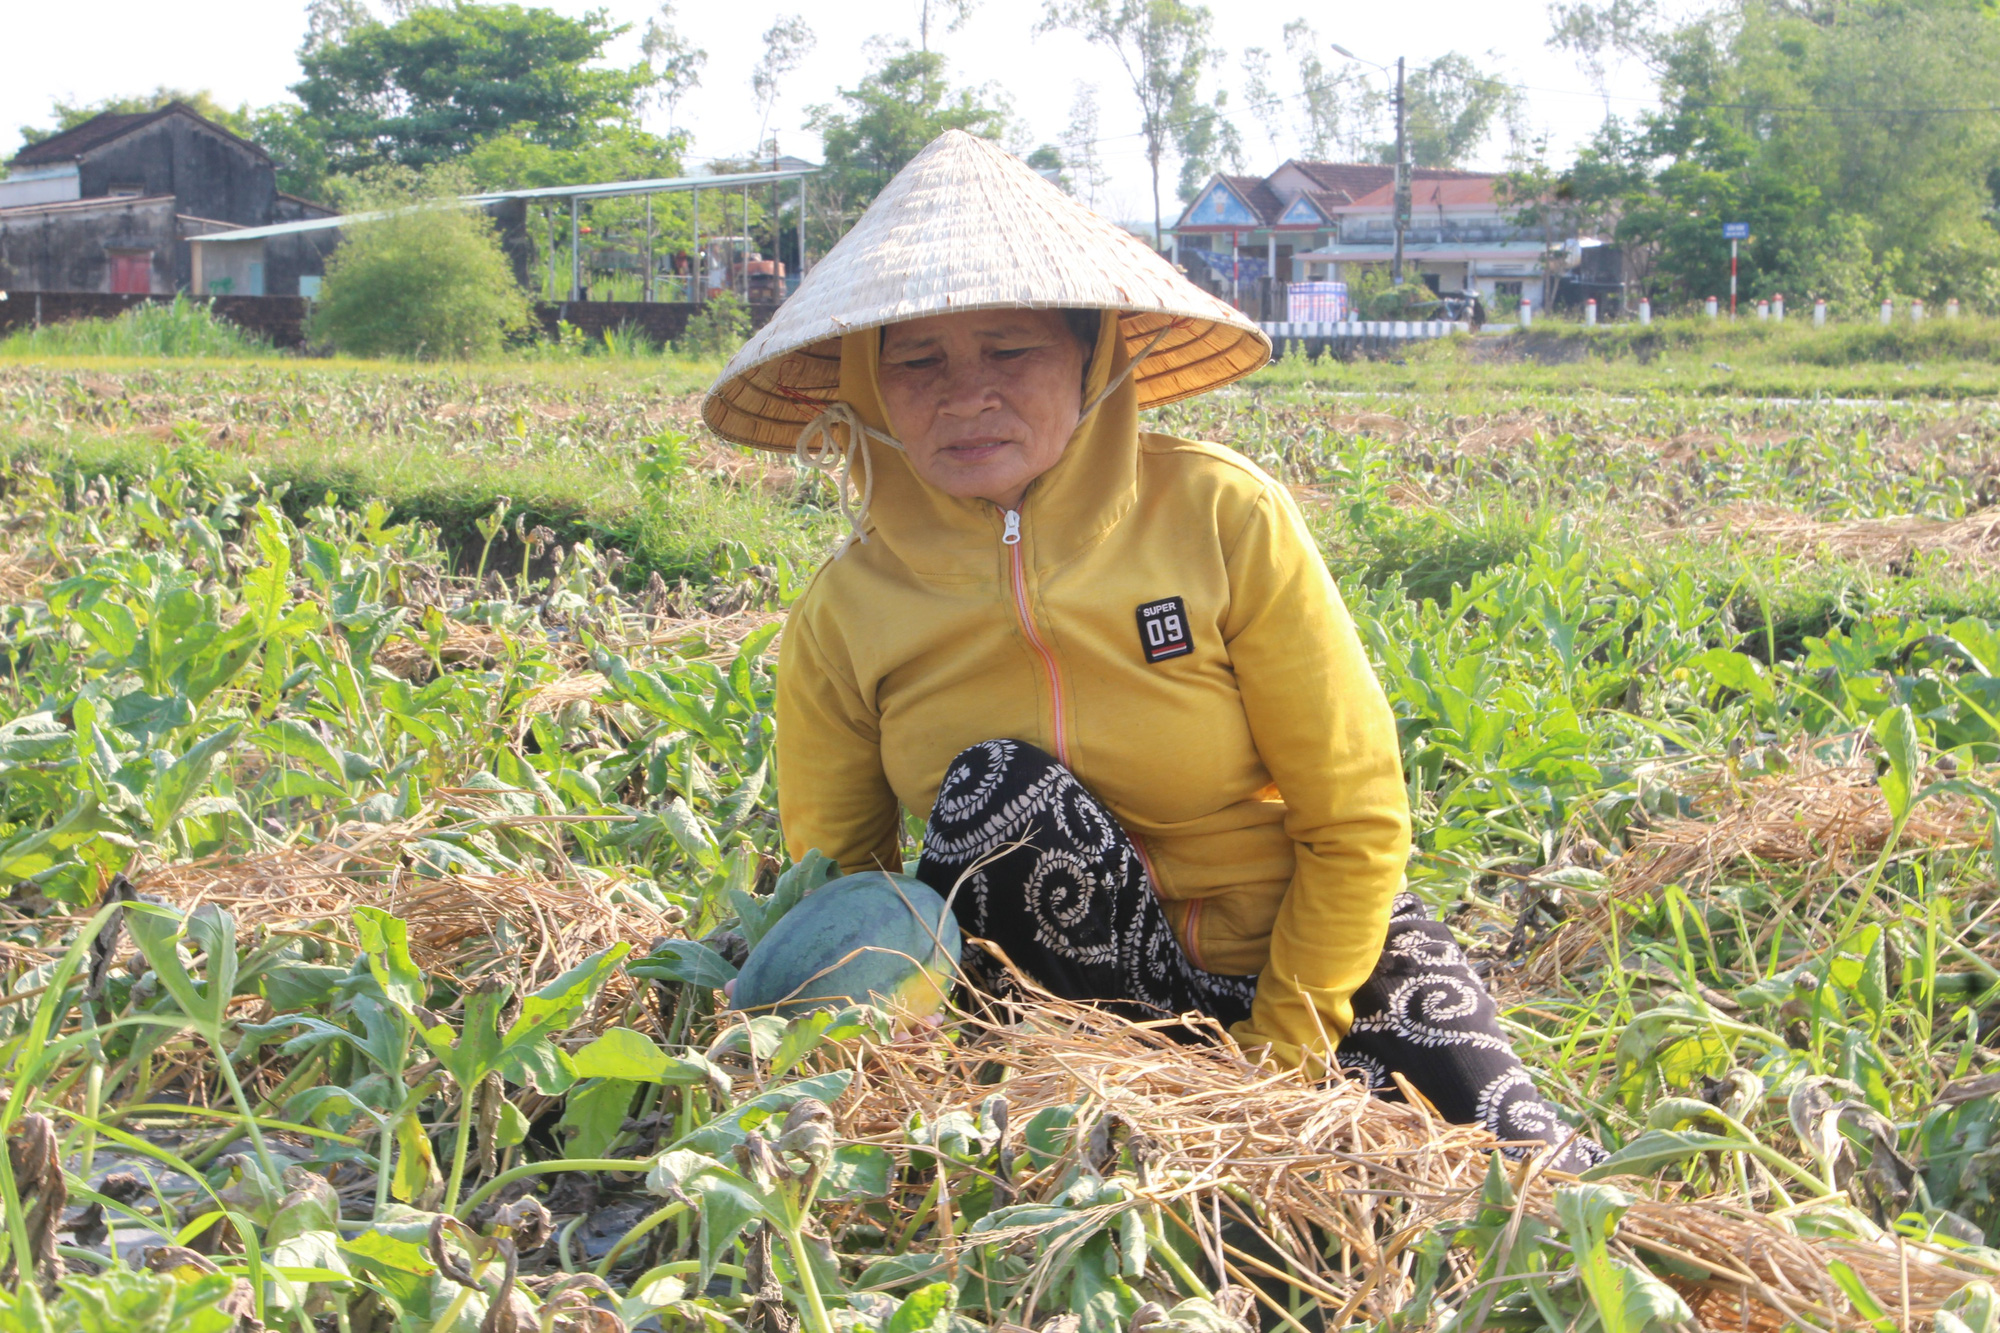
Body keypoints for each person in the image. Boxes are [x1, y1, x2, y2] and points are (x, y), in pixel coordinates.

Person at [702, 132, 1601, 1171]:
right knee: (996, 787)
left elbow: (1353, 816)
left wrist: (1279, 1055)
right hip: (1069, 1002)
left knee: (1533, 1201)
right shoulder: (845, 612)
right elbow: (845, 892)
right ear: (867, 390)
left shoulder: (1218, 515)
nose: (964, 394)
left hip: (1304, 954)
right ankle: (1093, 1114)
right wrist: (869, 1072)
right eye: (916, 361)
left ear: (1090, 354)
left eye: (1009, 349)